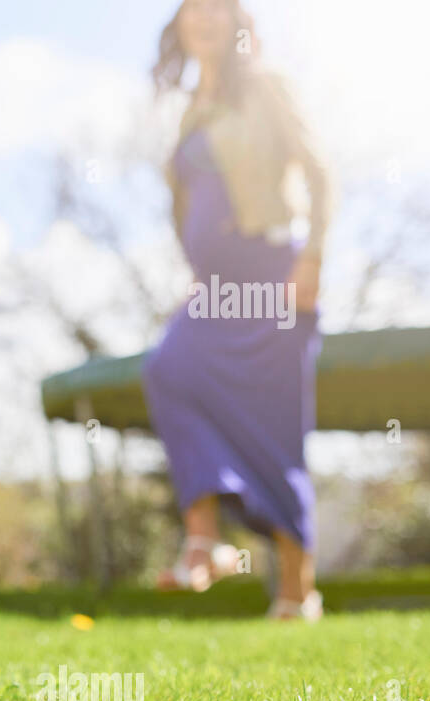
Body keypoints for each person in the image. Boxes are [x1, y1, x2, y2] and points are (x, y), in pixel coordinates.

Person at [143, 0, 332, 620]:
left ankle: (296, 590)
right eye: (192, 8)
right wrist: (196, 273)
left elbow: (319, 172)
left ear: (237, 22)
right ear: (181, 25)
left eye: (217, 8)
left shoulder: (267, 88)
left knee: (275, 429)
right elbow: (187, 203)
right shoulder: (190, 110)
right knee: (169, 369)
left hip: (275, 273)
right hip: (216, 288)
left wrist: (313, 263)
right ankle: (204, 541)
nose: (204, 17)